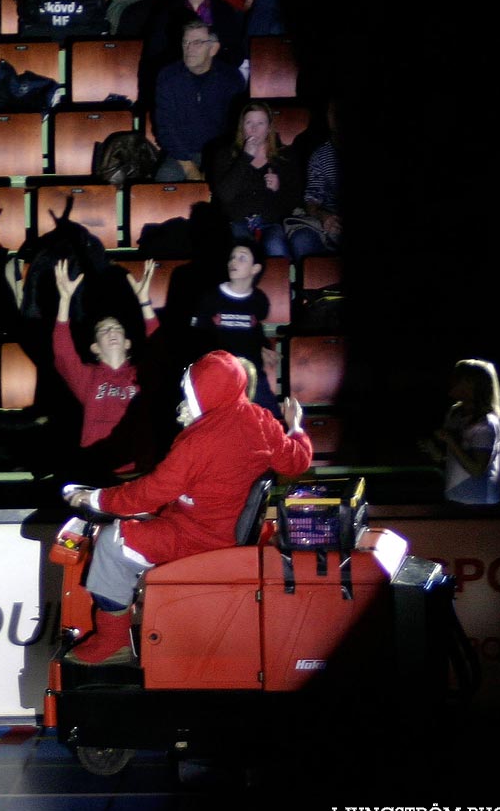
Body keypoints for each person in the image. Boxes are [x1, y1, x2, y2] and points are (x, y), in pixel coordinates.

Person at [61, 350, 312, 664]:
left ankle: (113, 643)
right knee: (135, 519)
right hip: (220, 527)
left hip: (200, 538)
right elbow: (297, 460)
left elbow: (151, 492)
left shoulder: (198, 441)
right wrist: (296, 427)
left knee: (112, 543)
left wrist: (96, 498)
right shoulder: (260, 420)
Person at [53, 257, 159, 476]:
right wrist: (64, 301)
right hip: (97, 468)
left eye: (117, 328)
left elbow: (160, 349)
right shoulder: (88, 378)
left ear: (128, 343)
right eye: (103, 330)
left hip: (136, 469)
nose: (111, 331)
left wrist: (144, 302)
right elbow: (63, 353)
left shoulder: (141, 374)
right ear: (95, 348)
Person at [191, 239, 281, 417]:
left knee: (274, 420)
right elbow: (197, 337)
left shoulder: (259, 300)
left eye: (242, 258)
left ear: (255, 268)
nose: (234, 262)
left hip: (251, 376)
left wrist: (264, 347)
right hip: (218, 374)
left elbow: (255, 331)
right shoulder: (211, 297)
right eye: (232, 258)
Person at [151, 20, 245, 182]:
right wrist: (189, 168)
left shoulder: (230, 78)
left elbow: (236, 127)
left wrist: (219, 161)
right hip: (181, 155)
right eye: (185, 42)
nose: (189, 49)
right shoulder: (168, 77)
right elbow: (165, 127)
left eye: (197, 43)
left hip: (220, 154)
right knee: (164, 186)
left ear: (213, 48)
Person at [210, 101, 303, 258]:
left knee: (276, 248)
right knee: (242, 253)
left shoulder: (285, 157)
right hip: (237, 221)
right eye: (249, 123)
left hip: (271, 222)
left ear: (268, 128)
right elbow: (224, 196)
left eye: (260, 123)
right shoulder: (226, 155)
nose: (254, 129)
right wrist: (245, 157)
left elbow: (294, 201)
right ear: (242, 127)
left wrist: (278, 189)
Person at [421, 359, 500, 506]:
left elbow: (477, 469)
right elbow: (455, 458)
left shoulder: (486, 423)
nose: (452, 381)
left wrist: (450, 440)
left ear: (472, 385)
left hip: (479, 502)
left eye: (458, 378)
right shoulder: (455, 414)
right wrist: (437, 454)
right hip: (454, 498)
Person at [288, 100, 343, 258]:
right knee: (301, 239)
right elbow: (312, 199)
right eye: (333, 113)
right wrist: (324, 216)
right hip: (332, 221)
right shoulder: (320, 156)